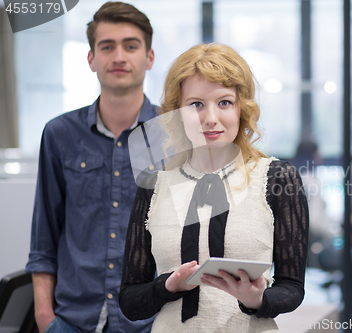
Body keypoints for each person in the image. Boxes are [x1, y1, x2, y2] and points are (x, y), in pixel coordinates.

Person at [119, 43, 309, 332]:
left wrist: (257, 299)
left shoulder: (277, 178)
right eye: (196, 104)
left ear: (242, 108)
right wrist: (167, 286)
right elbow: (130, 300)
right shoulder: (155, 184)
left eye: (224, 102)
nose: (210, 118)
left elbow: (292, 287)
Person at [25, 2, 157, 332]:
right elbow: (44, 240)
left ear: (149, 57)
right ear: (91, 59)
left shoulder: (173, 134)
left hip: (151, 322)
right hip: (72, 321)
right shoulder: (59, 134)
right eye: (107, 46)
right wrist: (45, 318)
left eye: (131, 45)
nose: (119, 57)